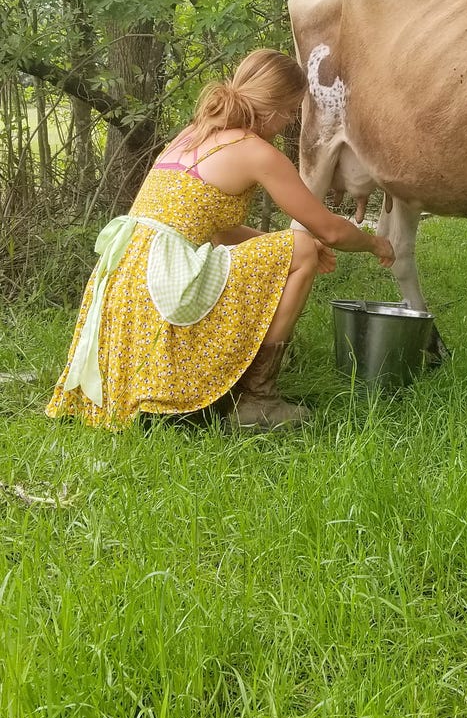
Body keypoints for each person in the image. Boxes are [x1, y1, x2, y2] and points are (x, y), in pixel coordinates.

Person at [46, 49, 394, 431]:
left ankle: (193, 386)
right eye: (292, 111)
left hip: (125, 278)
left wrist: (286, 250)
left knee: (297, 248)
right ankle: (257, 400)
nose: (291, 121)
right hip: (162, 282)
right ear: (274, 108)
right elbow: (329, 228)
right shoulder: (255, 151)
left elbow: (220, 232)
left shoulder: (192, 135)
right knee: (301, 247)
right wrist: (374, 243)